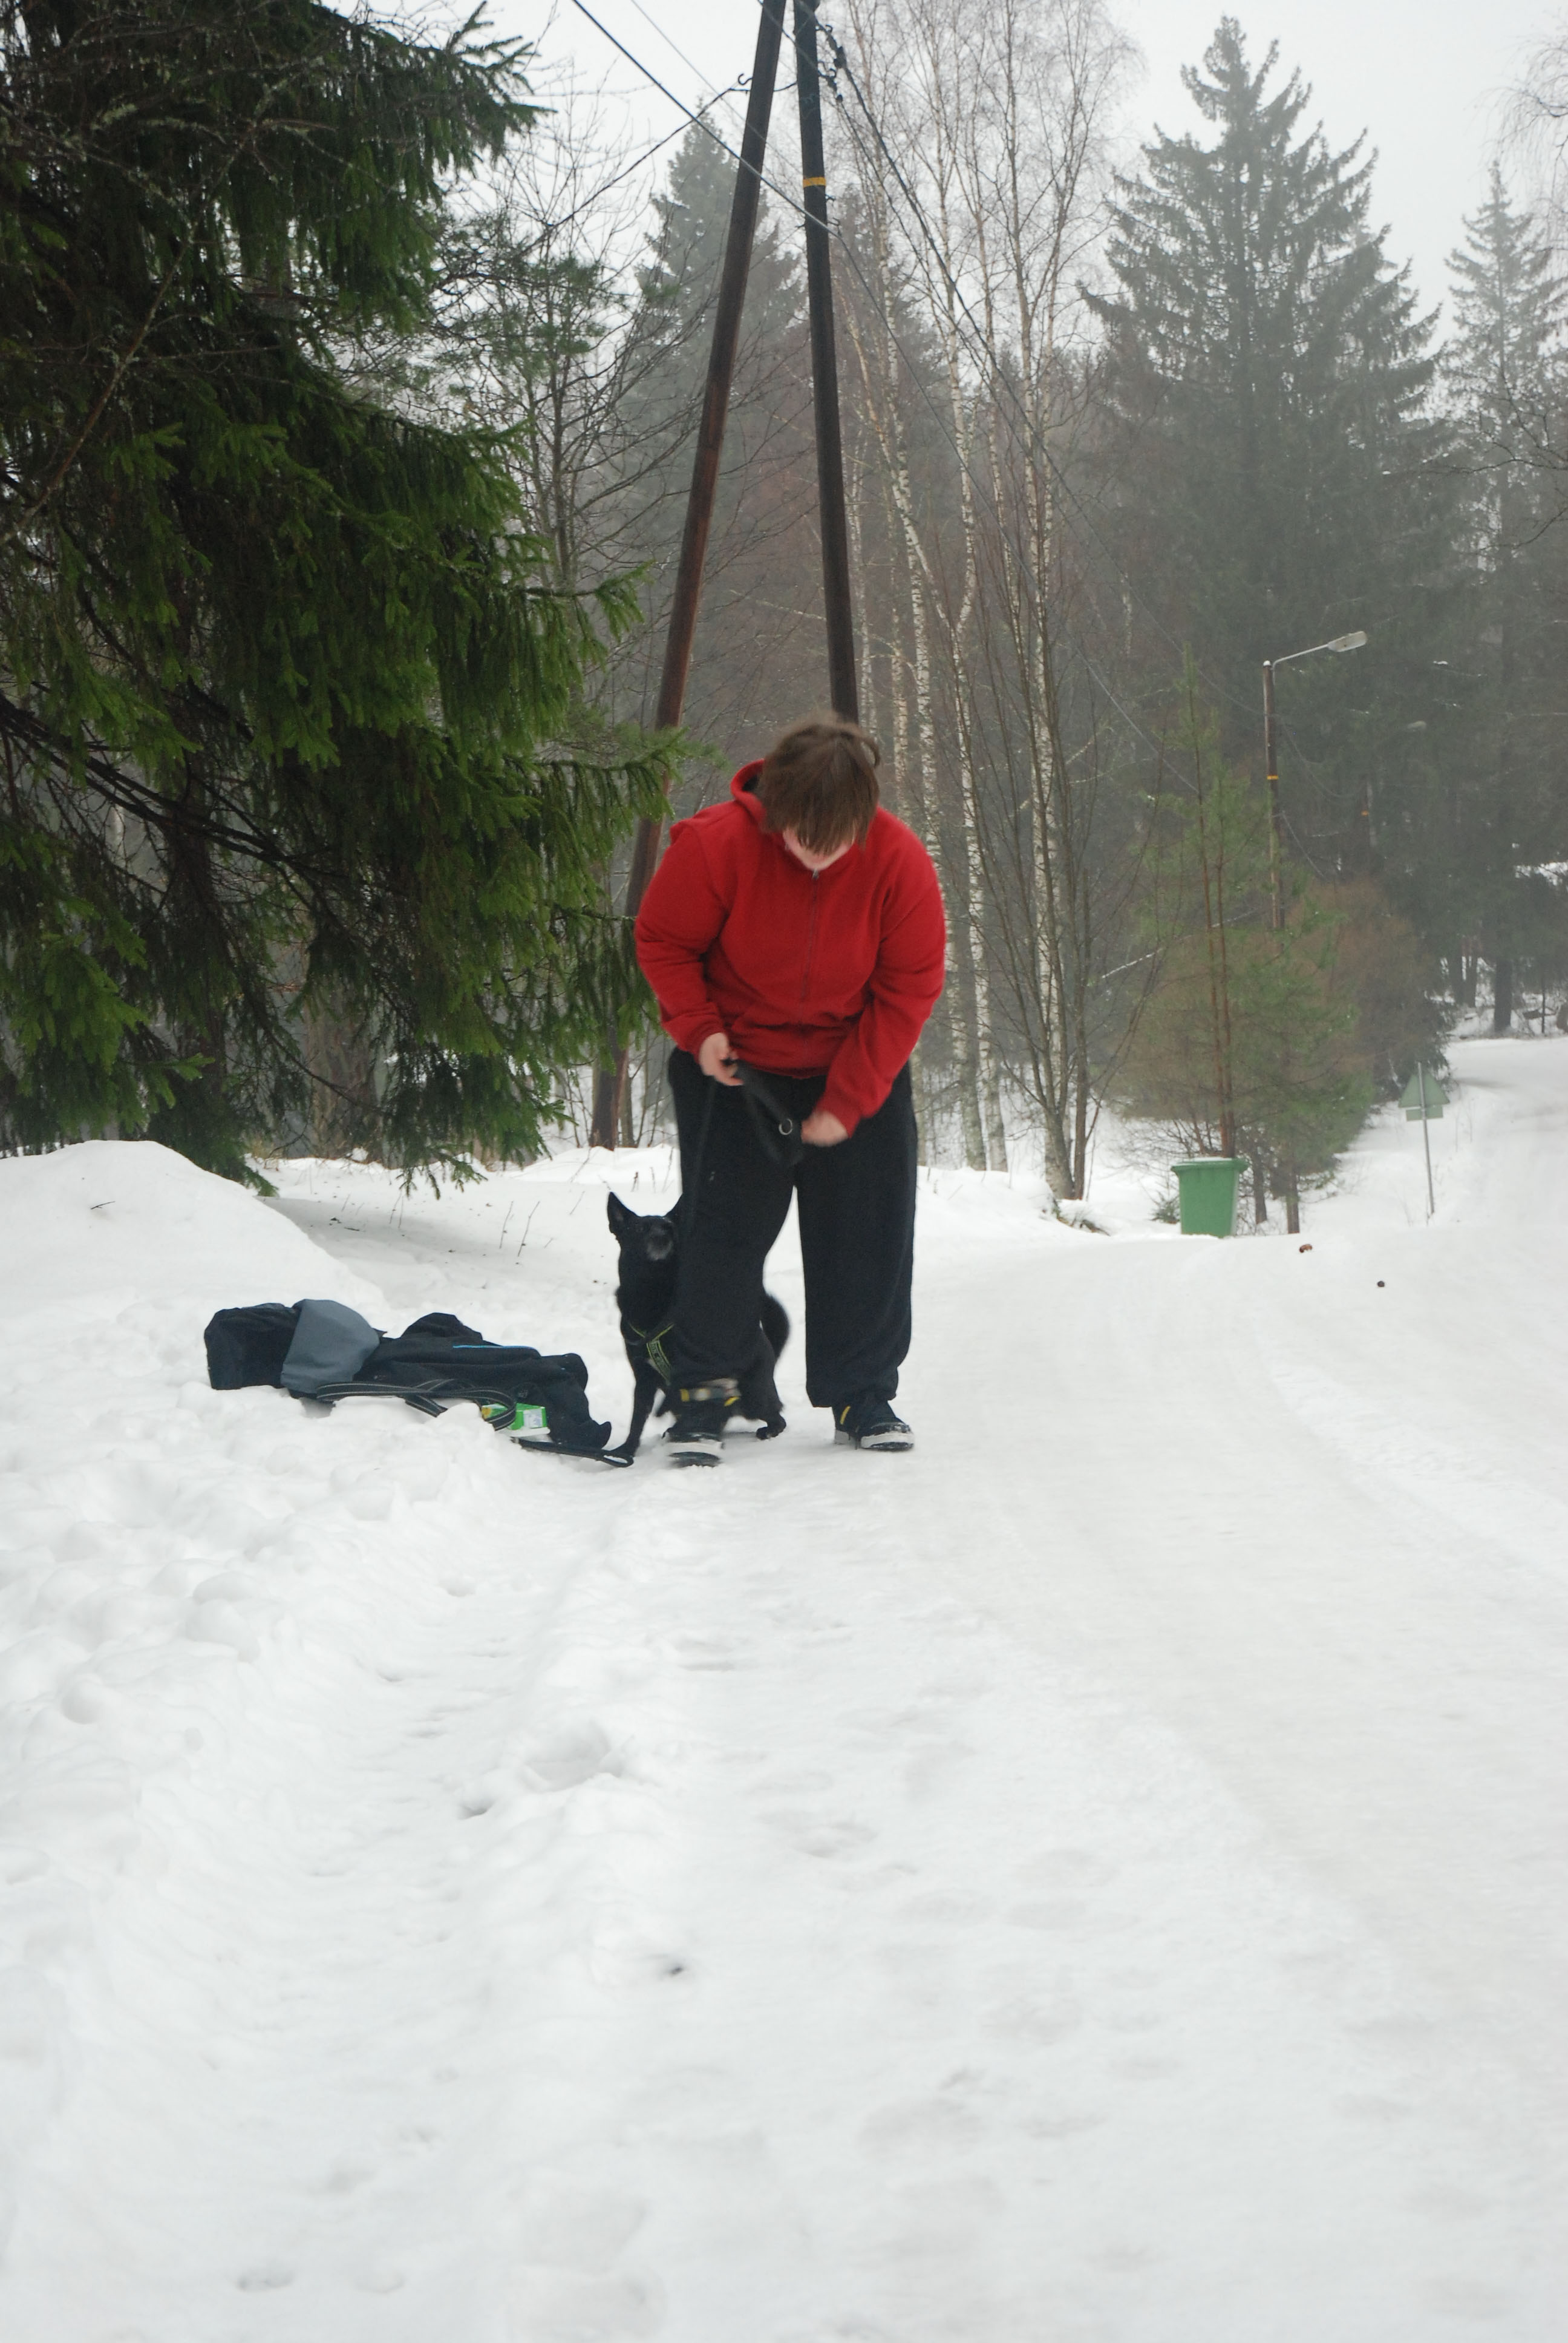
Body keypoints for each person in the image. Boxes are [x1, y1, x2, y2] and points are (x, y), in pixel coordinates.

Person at [634, 715, 946, 1464]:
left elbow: (909, 986)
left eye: (837, 840)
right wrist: (701, 1029)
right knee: (723, 1232)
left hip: (854, 1062)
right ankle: (704, 1390)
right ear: (776, 808)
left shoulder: (899, 862)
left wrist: (850, 1098)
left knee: (866, 1234)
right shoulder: (714, 846)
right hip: (737, 1070)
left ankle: (862, 1391)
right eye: (805, 836)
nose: (819, 853)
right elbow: (664, 941)